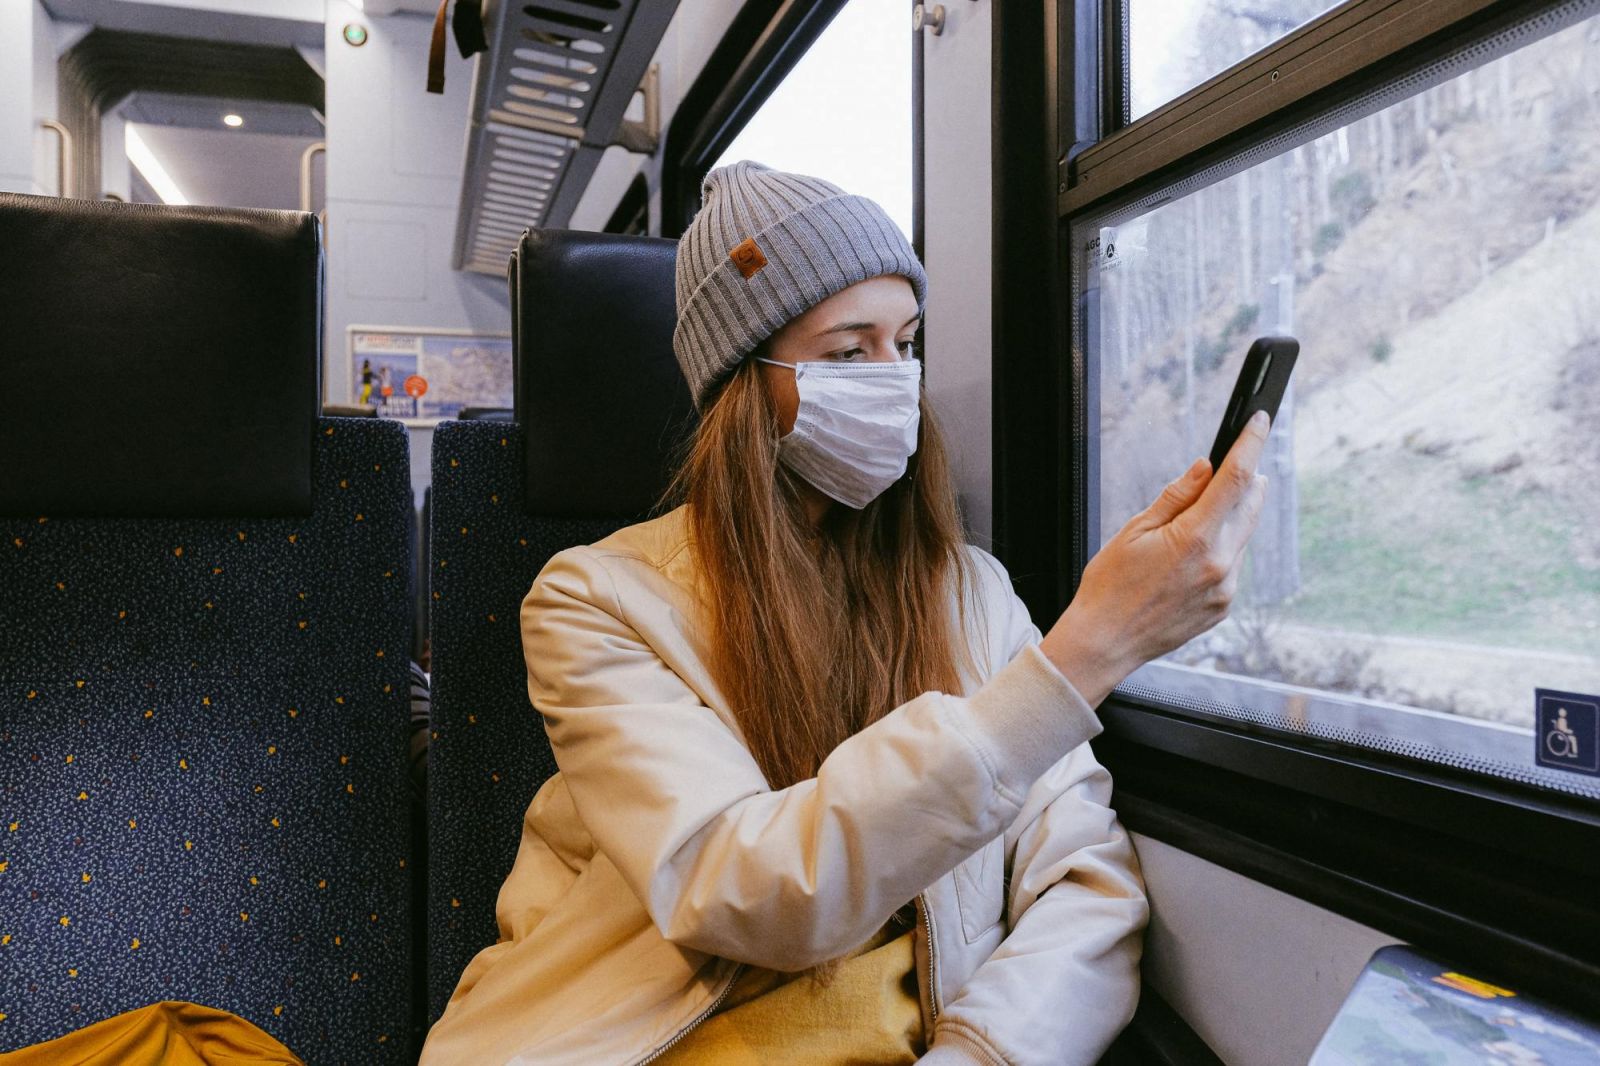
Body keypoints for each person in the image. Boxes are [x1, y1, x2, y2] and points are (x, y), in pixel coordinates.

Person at [419, 161, 1269, 1065]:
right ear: (743, 388)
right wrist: (1088, 654)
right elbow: (741, 890)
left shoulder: (969, 592)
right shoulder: (597, 599)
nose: (893, 380)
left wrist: (980, 1053)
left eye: (906, 343)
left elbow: (1085, 881)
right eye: (846, 352)